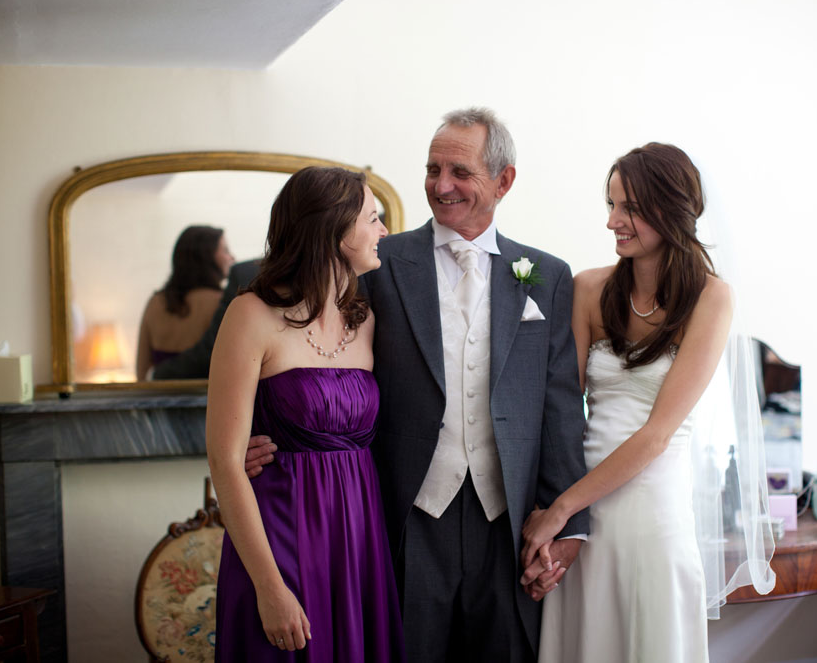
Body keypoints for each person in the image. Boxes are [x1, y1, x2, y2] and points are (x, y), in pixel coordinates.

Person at [246, 108, 589, 662]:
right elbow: (310, 355)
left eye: (460, 171)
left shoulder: (545, 276)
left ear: (504, 181)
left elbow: (560, 407)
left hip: (507, 525)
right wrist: (257, 435)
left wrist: (570, 522)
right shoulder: (376, 262)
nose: (440, 185)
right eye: (432, 169)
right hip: (399, 517)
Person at [520, 143, 775, 662]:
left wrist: (562, 510)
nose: (614, 220)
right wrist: (564, 521)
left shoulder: (711, 298)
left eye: (630, 207)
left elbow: (657, 435)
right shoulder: (589, 288)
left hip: (651, 517)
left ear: (671, 209)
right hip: (584, 517)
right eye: (611, 205)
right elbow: (563, 412)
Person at [207, 166, 404, 661]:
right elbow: (226, 461)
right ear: (335, 230)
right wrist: (269, 588)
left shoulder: (367, 321)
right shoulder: (251, 315)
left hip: (358, 537)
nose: (383, 231)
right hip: (282, 533)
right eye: (372, 218)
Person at [136, 225, 235, 379]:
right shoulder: (221, 304)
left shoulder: (155, 302)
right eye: (226, 250)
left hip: (157, 398)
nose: (232, 257)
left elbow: (142, 371)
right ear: (207, 256)